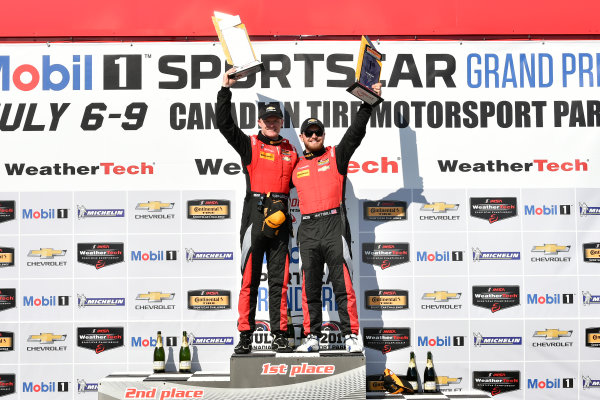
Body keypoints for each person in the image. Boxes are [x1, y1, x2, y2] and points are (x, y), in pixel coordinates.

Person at [293, 83, 382, 352]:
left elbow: (355, 134)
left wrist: (368, 102)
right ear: (302, 136)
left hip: (334, 226)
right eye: (309, 132)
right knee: (310, 289)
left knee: (343, 285)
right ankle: (311, 337)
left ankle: (351, 335)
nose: (313, 135)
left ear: (323, 134)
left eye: (317, 132)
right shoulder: (295, 164)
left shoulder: (336, 156)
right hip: (307, 228)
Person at [216, 68, 298, 354]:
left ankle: (279, 334)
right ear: (260, 122)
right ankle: (245, 335)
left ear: (281, 122)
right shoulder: (249, 145)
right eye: (268, 120)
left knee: (281, 280)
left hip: (282, 219)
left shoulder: (292, 151)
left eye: (277, 119)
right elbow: (224, 125)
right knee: (249, 279)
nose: (273, 124)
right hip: (255, 215)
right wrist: (225, 90)